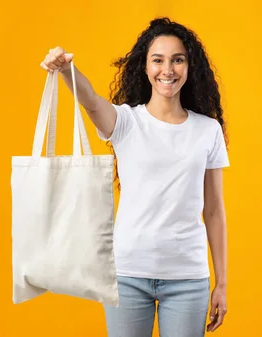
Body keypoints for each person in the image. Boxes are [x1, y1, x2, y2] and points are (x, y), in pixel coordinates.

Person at [40, 17, 229, 337]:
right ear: (144, 67)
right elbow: (91, 100)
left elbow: (214, 211)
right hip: (127, 275)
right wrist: (66, 70)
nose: (167, 69)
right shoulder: (125, 122)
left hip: (187, 279)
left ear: (189, 66)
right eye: (158, 60)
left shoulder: (207, 130)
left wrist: (222, 283)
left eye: (177, 60)